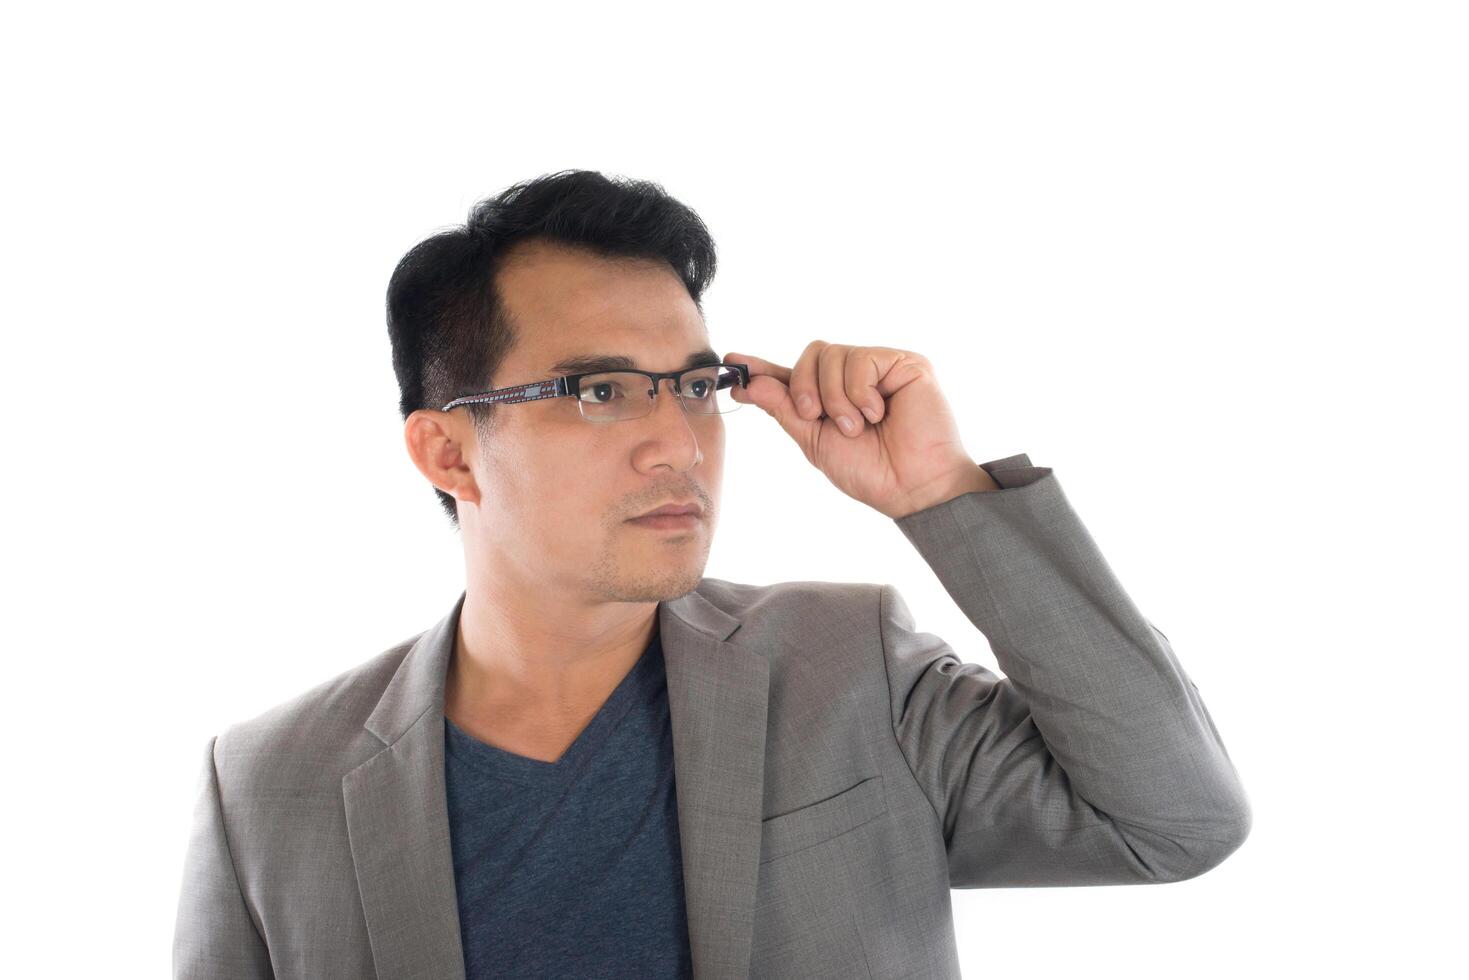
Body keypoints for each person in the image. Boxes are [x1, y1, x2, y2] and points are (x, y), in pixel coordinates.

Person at [172, 170, 1251, 980]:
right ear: (449, 452)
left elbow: (1173, 819)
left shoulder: (851, 669)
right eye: (600, 390)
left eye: (692, 383)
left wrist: (939, 489)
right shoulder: (266, 788)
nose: (678, 443)